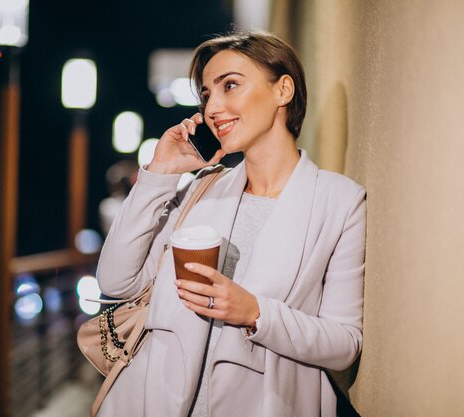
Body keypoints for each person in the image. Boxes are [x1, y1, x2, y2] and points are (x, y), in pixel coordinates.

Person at [95, 31, 366, 417]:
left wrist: (256, 312)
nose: (212, 108)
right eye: (206, 95)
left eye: (230, 86)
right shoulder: (203, 189)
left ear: (283, 90)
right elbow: (116, 281)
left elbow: (344, 343)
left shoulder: (338, 201)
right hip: (155, 400)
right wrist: (161, 172)